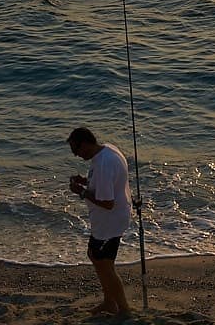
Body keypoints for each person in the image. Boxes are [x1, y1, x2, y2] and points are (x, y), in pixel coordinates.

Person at [67, 127, 133, 318]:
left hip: (109, 223)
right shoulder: (108, 150)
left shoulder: (104, 163)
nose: (76, 155)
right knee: (96, 257)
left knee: (104, 264)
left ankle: (123, 309)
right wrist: (86, 181)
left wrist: (80, 192)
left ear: (85, 143)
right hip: (111, 221)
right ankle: (109, 302)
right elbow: (105, 183)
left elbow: (107, 202)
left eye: (76, 150)